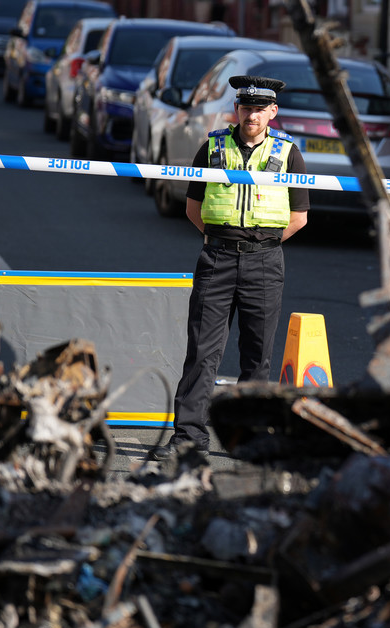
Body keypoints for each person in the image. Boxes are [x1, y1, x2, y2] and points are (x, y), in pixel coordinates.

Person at [151, 75, 310, 462]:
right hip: (217, 257)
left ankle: (249, 437)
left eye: (259, 109)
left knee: (257, 356)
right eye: (245, 108)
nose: (251, 115)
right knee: (203, 352)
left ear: (273, 112)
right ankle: (189, 437)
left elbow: (299, 217)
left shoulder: (289, 153)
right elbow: (192, 208)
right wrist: (222, 241)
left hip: (265, 260)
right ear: (236, 110)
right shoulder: (212, 147)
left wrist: (261, 245)